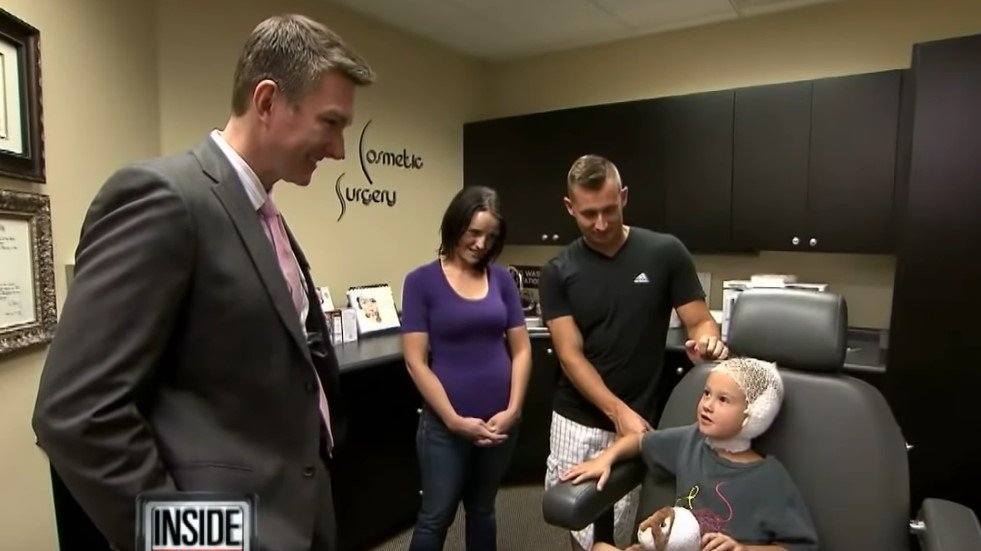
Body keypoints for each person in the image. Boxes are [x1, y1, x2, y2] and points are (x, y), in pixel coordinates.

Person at [31, 14, 374, 551]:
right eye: (331, 123)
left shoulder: (264, 212)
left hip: (297, 512)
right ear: (266, 101)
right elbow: (76, 412)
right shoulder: (166, 198)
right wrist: (192, 541)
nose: (337, 149)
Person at [539, 154, 730, 550]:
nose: (601, 224)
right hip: (579, 421)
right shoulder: (558, 271)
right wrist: (617, 412)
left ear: (624, 196)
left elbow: (700, 321)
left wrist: (708, 339)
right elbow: (570, 356)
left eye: (609, 210)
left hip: (642, 417)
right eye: (588, 214)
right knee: (583, 526)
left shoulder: (665, 252)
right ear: (569, 207)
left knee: (642, 529)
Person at [562, 358, 819, 551]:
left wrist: (744, 549)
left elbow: (797, 547)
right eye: (706, 393)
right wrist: (605, 458)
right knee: (600, 549)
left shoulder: (770, 478)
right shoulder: (692, 441)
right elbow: (639, 442)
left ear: (755, 413)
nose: (707, 404)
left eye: (723, 400)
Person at [400, 186, 532, 551]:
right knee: (435, 516)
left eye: (490, 236)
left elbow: (521, 350)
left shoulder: (502, 279)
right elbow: (415, 361)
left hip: (499, 424)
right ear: (455, 225)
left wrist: (514, 410)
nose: (480, 244)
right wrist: (455, 420)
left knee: (483, 509)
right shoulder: (421, 282)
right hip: (446, 428)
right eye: (473, 232)